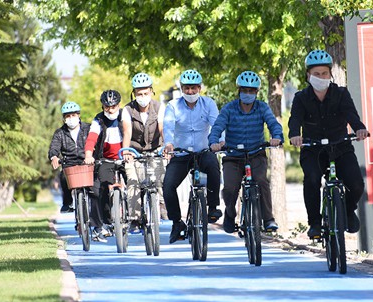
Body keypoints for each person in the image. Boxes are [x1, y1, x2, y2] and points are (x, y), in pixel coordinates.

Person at [288, 49, 370, 239]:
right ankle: (315, 223)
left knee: (356, 183)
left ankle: (348, 211)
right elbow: (295, 120)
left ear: (330, 73)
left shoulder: (341, 94)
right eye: (316, 74)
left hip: (340, 147)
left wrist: (359, 129)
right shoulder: (301, 98)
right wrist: (294, 135)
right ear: (308, 75)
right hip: (312, 149)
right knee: (311, 179)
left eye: (324, 73)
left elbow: (352, 115)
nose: (321, 77)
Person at [209, 70, 283, 234]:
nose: (247, 94)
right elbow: (218, 127)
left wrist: (276, 136)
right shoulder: (229, 108)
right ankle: (230, 213)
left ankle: (268, 218)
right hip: (233, 156)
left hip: (256, 154)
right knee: (229, 188)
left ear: (256, 92)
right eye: (244, 90)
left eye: (251, 91)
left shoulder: (262, 107)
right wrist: (214, 142)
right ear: (239, 91)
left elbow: (273, 124)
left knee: (261, 181)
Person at [162, 69, 223, 244]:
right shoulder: (173, 106)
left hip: (203, 152)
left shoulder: (208, 103)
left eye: (193, 88)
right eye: (187, 88)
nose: (190, 92)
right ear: (182, 89)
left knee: (213, 167)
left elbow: (217, 124)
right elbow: (168, 127)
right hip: (181, 154)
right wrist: (169, 143)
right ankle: (176, 222)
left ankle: (212, 207)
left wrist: (220, 141)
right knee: (168, 186)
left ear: (200, 88)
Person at [121, 73, 166, 232]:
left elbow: (162, 129)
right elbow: (127, 132)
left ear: (151, 91)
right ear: (134, 93)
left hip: (155, 150)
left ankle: (160, 205)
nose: (142, 96)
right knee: (133, 181)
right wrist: (126, 151)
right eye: (139, 93)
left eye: (146, 93)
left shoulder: (159, 107)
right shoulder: (127, 110)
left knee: (160, 178)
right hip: (134, 151)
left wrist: (166, 147)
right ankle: (135, 218)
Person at [83, 90, 124, 241]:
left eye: (113, 106)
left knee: (135, 183)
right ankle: (107, 221)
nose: (110, 109)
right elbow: (92, 138)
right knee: (104, 189)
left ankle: (137, 218)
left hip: (126, 157)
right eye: (107, 106)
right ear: (102, 106)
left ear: (118, 105)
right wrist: (88, 154)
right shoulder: (98, 120)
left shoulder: (124, 115)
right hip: (106, 159)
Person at [48, 101, 91, 213]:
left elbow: (97, 142)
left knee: (96, 185)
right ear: (64, 118)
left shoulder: (88, 128)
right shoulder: (60, 133)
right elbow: (54, 147)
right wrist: (54, 157)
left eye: (73, 115)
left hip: (87, 161)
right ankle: (67, 203)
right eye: (68, 116)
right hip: (69, 163)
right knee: (63, 177)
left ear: (78, 115)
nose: (71, 118)